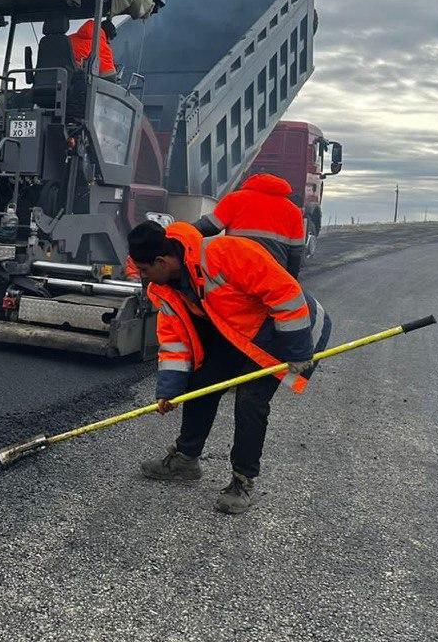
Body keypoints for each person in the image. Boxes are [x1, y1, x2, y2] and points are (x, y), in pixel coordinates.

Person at [126, 219, 333, 514]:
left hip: (283, 332)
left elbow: (285, 293)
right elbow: (174, 343)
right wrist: (169, 390)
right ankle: (185, 460)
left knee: (250, 400)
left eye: (145, 271)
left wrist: (298, 349)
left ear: (161, 260)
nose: (145, 279)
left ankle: (243, 481)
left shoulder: (225, 253)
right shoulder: (164, 289)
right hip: (236, 334)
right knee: (200, 385)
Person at [196, 173, 307, 276]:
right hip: (273, 275)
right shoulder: (293, 211)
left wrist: (183, 230)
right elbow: (296, 253)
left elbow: (208, 227)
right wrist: (291, 279)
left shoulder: (235, 199)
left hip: (236, 270)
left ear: (250, 183)